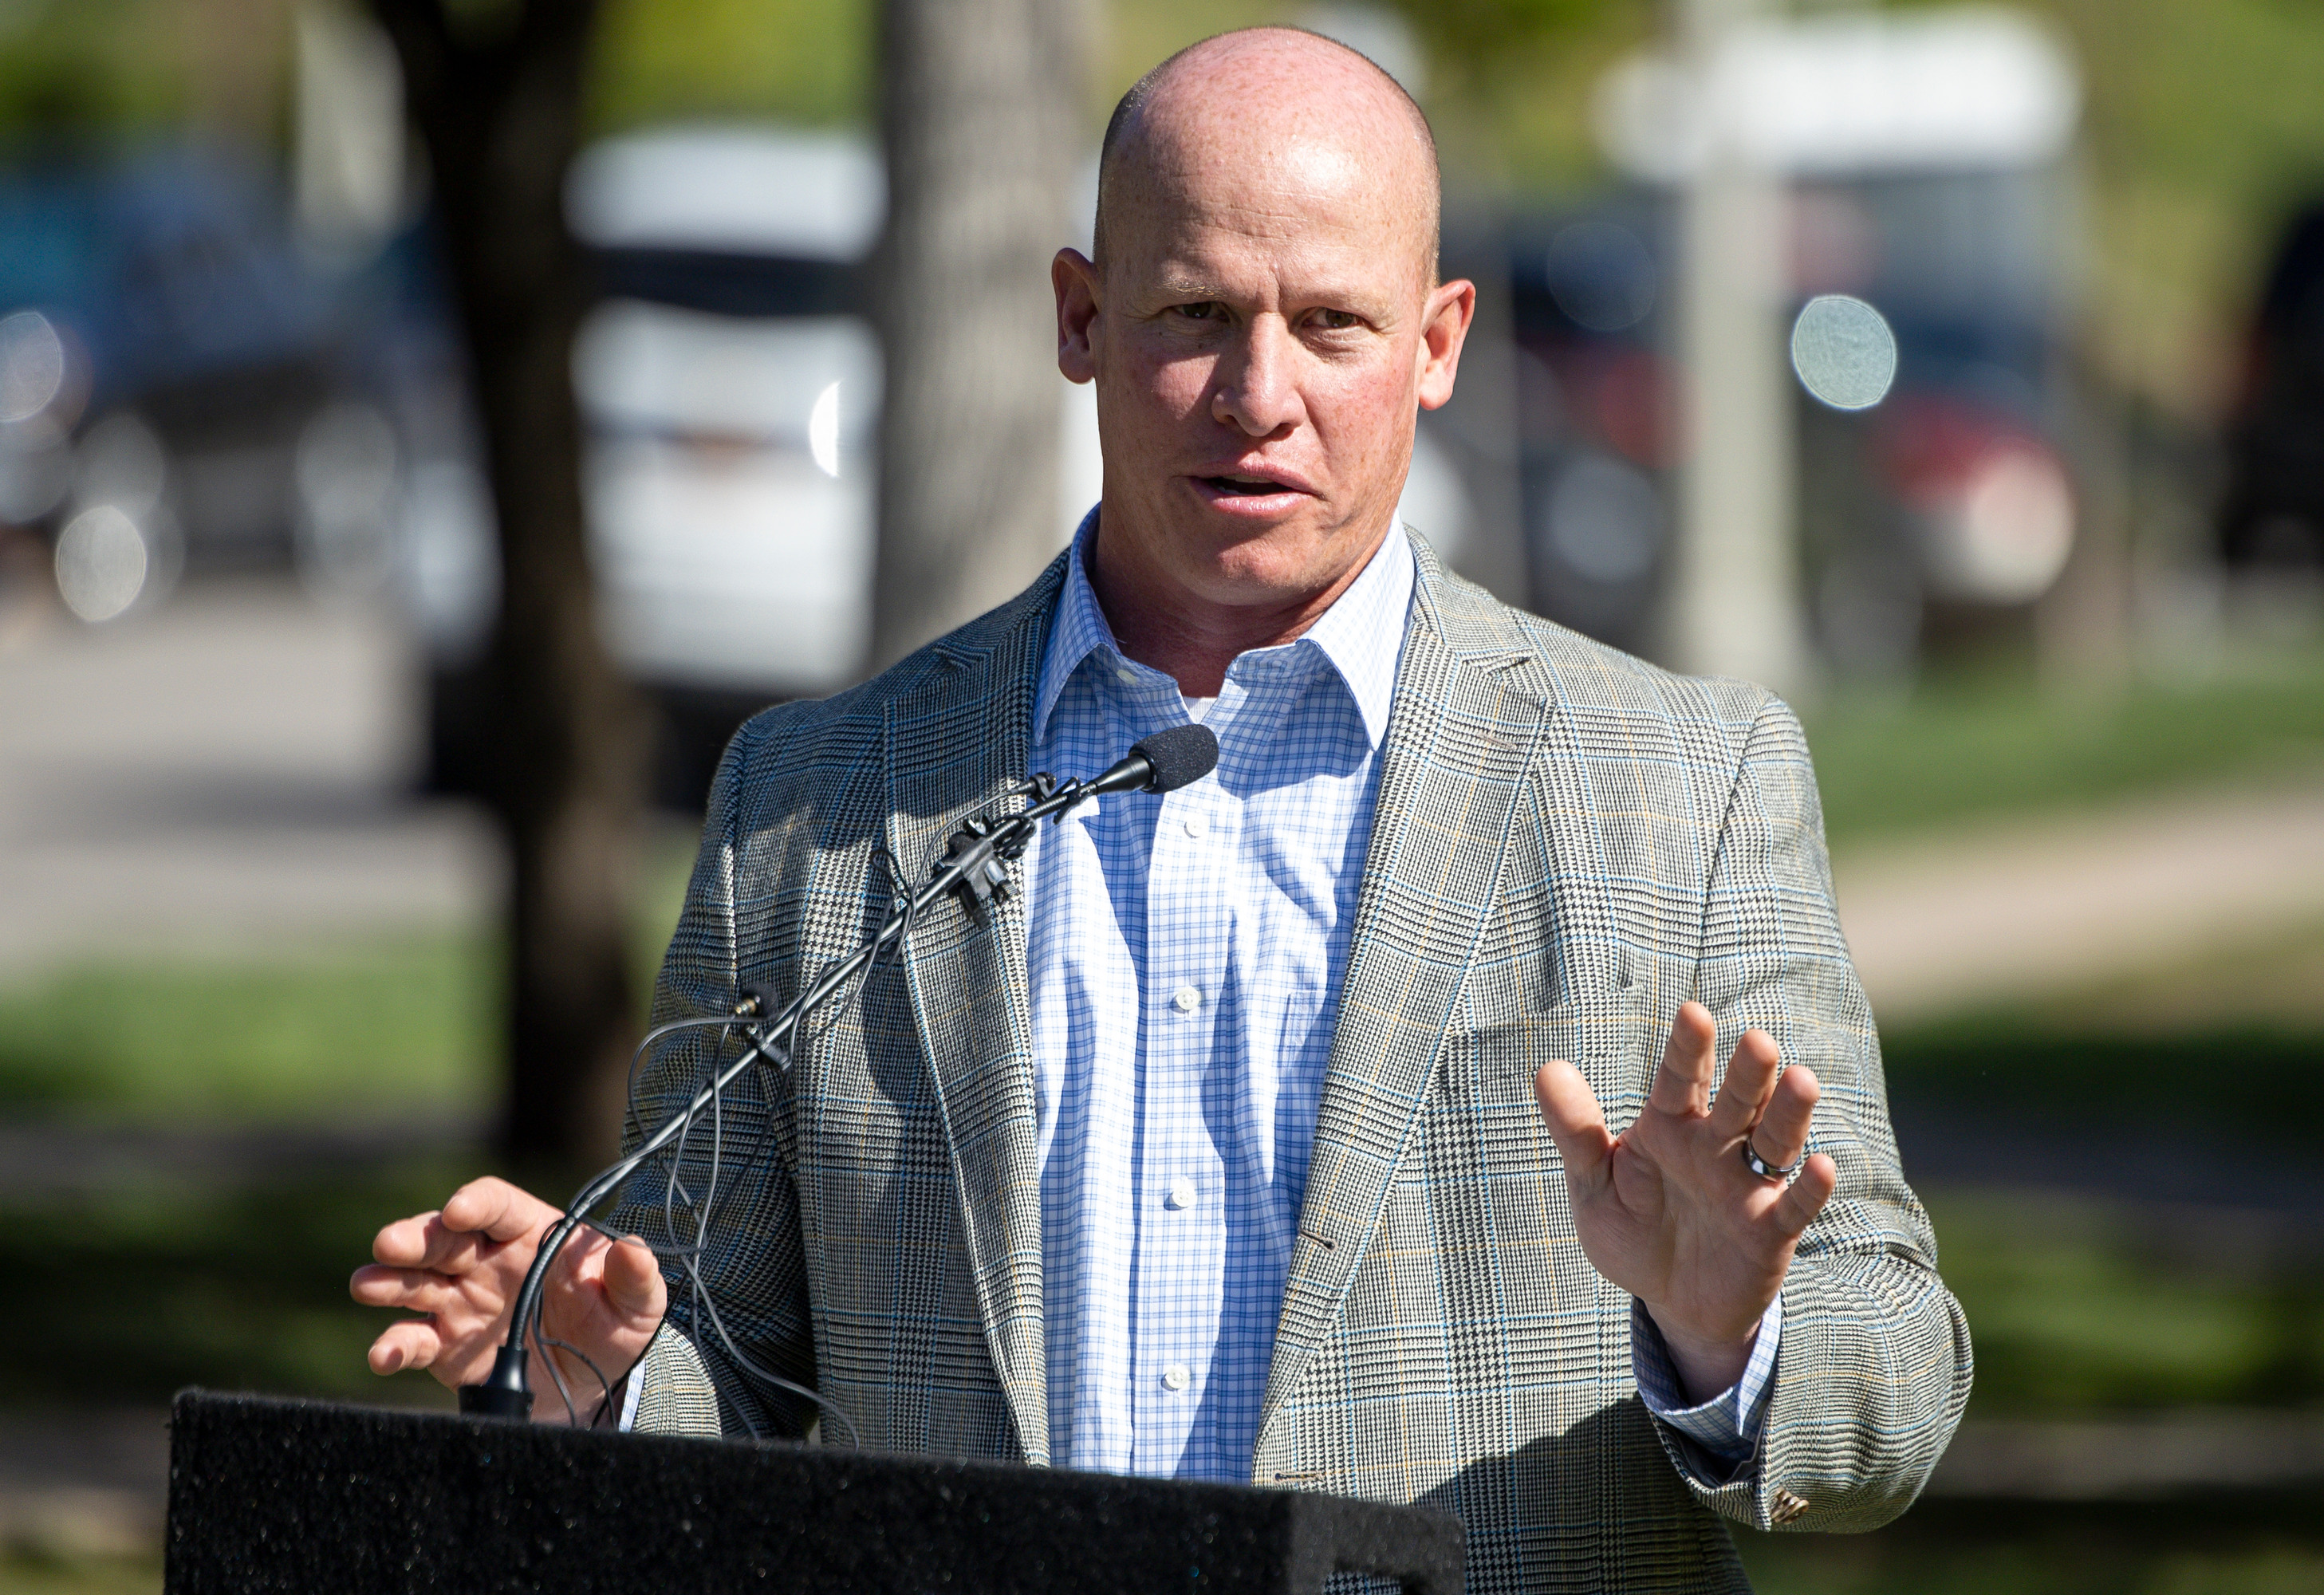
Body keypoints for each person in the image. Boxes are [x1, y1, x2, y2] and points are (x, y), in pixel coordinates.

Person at [353, 26, 1970, 1586]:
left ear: (1439, 342)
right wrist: (608, 1378)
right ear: (1080, 314)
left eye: (1333, 324)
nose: (1257, 392)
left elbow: (1893, 1374)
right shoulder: (817, 804)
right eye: (1195, 310)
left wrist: (1728, 1332)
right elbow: (734, 1367)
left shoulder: (1684, 785)